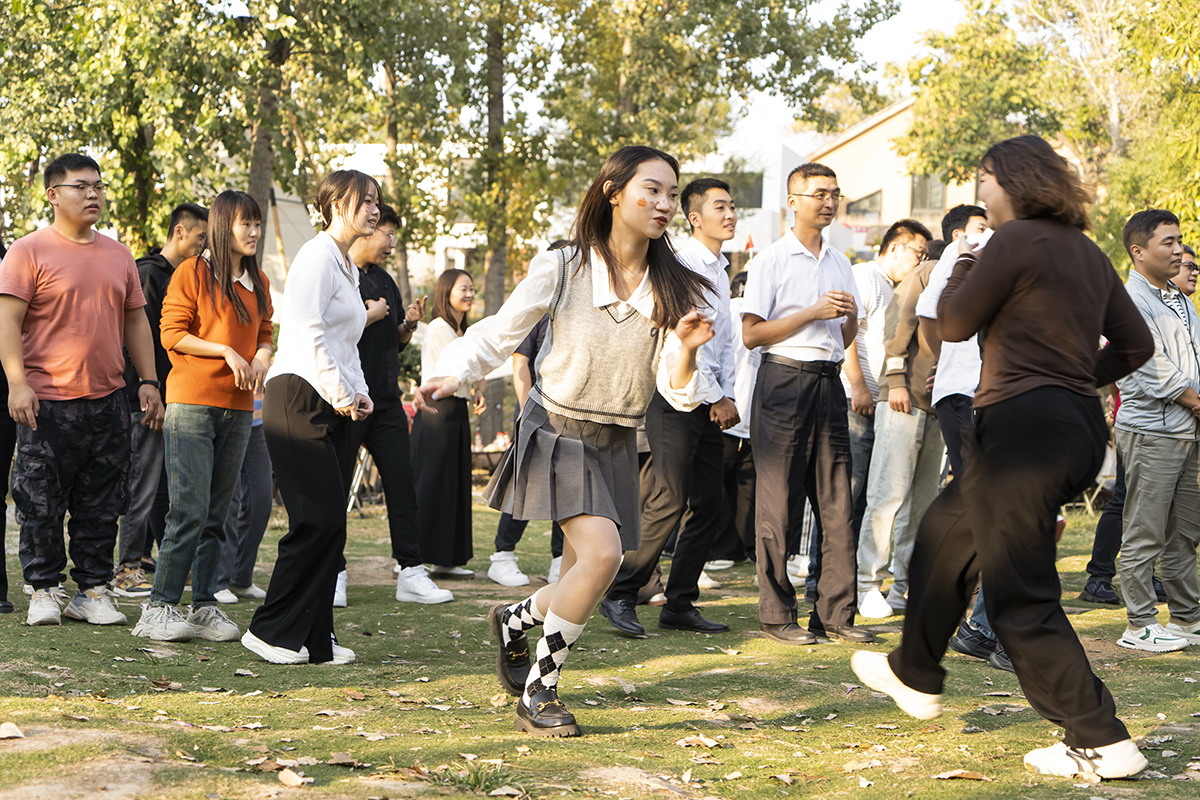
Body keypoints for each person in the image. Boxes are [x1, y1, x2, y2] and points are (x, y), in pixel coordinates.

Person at [852, 134, 1153, 780]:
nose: (980, 191)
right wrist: (1076, 381)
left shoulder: (1011, 241)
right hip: (1073, 427)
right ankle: (915, 671)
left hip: (1021, 430)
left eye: (984, 178)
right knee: (945, 532)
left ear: (1013, 181)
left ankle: (1100, 738)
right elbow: (1136, 346)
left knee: (1020, 596)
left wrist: (962, 264)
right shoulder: (1087, 252)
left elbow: (953, 325)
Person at [417, 145, 716, 737]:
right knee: (605, 557)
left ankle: (514, 619)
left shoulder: (674, 284)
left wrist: (685, 349)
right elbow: (502, 331)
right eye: (651, 190)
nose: (664, 203)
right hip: (556, 427)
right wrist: (455, 373)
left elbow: (678, 389)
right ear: (613, 193)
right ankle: (539, 692)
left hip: (618, 436)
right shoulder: (564, 265)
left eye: (671, 194)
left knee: (586, 574)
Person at [0, 152, 164, 627]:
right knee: (40, 503)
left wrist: (148, 380)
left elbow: (136, 321)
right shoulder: (27, 251)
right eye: (81, 186)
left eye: (98, 185)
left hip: (108, 400)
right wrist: (17, 383)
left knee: (103, 503)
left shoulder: (118, 255)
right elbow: (7, 321)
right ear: (53, 194)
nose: (93, 194)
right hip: (46, 401)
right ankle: (44, 588)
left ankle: (92, 590)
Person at [241, 169, 377, 665]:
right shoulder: (317, 256)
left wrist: (358, 392)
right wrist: (341, 391)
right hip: (298, 394)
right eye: (365, 201)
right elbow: (309, 333)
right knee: (315, 520)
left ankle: (316, 640)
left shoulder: (346, 266)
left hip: (332, 401)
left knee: (331, 524)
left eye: (376, 201)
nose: (374, 210)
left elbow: (347, 343)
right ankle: (269, 632)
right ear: (336, 205)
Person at [599, 177, 739, 638]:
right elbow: (679, 344)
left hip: (710, 401)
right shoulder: (680, 265)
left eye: (732, 207)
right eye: (720, 207)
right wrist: (717, 396)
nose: (730, 215)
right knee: (670, 498)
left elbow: (724, 347)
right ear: (694, 218)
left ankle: (680, 603)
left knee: (710, 505)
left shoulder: (721, 270)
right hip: (674, 397)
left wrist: (726, 395)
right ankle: (621, 591)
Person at [132, 190, 274, 642]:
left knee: (217, 514)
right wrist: (226, 350)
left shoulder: (258, 280)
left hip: (239, 408)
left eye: (257, 224)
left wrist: (263, 356)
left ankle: (204, 606)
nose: (254, 232)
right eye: (245, 223)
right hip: (192, 404)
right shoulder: (192, 272)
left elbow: (265, 330)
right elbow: (171, 334)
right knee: (188, 511)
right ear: (222, 226)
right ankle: (158, 608)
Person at [741, 162, 874, 646]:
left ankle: (835, 614)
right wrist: (812, 312)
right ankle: (777, 616)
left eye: (835, 193)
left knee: (838, 501)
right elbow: (752, 334)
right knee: (778, 503)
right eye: (819, 193)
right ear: (792, 202)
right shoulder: (772, 260)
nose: (829, 202)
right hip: (783, 381)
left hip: (828, 383)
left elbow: (844, 336)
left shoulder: (840, 263)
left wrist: (850, 317)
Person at [344, 203, 452, 604]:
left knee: (402, 486)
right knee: (336, 487)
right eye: (387, 233)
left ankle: (410, 570)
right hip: (346, 400)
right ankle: (333, 571)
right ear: (365, 230)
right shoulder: (339, 273)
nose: (391, 242)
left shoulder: (386, 280)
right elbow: (330, 332)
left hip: (386, 400)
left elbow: (395, 341)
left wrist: (407, 325)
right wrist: (369, 316)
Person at [1111, 209, 1200, 653]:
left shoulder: (1179, 297)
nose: (1179, 250)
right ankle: (1140, 623)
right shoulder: (1130, 300)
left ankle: (1186, 617)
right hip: (1152, 431)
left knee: (1185, 532)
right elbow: (1154, 369)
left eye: (1180, 241)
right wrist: (1198, 403)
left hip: (1187, 430)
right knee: (1144, 530)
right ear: (1139, 250)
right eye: (1169, 242)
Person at [113, 202, 209, 598]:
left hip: (177, 396)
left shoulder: (188, 275)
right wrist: (147, 388)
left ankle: (162, 562)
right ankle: (127, 567)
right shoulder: (150, 274)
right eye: (201, 236)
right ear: (179, 232)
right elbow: (140, 338)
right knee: (142, 482)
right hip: (146, 396)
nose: (205, 244)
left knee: (167, 487)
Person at [849, 219, 933, 619]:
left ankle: (904, 585)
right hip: (892, 398)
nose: (921, 258)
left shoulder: (955, 279)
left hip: (933, 404)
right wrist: (886, 383)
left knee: (920, 502)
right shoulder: (901, 278)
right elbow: (863, 334)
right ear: (897, 247)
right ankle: (866, 583)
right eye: (919, 251)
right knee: (886, 495)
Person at [412, 269, 485, 579]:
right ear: (446, 292)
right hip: (437, 411)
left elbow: (472, 369)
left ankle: (447, 559)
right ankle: (414, 558)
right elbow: (458, 369)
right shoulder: (440, 328)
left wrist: (478, 385)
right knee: (432, 484)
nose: (469, 294)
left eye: (471, 288)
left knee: (454, 486)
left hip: (456, 411)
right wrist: (477, 377)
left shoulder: (462, 331)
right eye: (463, 289)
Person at [488, 312, 566, 587]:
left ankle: (561, 560)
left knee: (568, 488)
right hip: (536, 414)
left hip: (571, 418)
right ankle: (502, 556)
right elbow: (520, 361)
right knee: (526, 485)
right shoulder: (538, 312)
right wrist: (526, 410)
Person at [213, 388, 272, 605]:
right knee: (228, 500)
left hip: (257, 420)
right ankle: (218, 581)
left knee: (261, 500)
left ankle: (240, 578)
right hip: (226, 413)